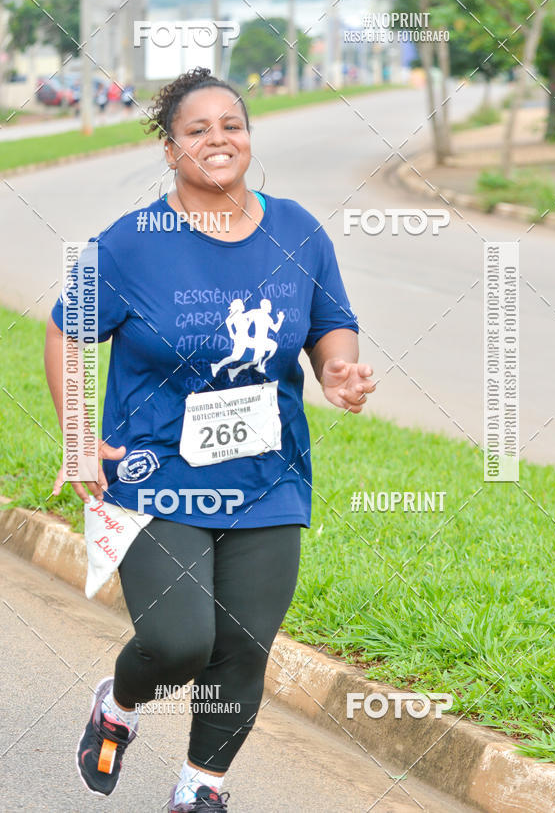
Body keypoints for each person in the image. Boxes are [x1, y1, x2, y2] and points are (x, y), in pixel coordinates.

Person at [44, 65, 375, 811]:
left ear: (248, 137)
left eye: (232, 124)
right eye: (198, 129)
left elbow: (329, 326)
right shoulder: (132, 244)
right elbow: (67, 330)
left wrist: (340, 371)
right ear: (170, 148)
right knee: (178, 641)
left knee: (244, 645)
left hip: (269, 474)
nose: (218, 139)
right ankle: (120, 705)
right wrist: (75, 439)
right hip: (157, 473)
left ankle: (202, 787)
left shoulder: (297, 230)